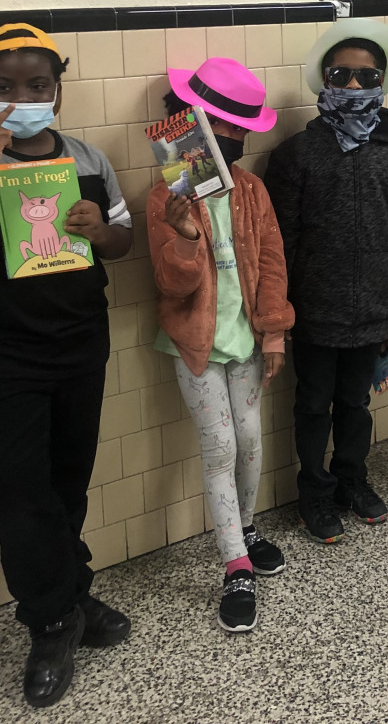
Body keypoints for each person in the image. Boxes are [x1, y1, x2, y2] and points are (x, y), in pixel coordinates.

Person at [0, 24, 133, 708]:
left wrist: (99, 230)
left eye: (38, 85)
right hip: (1, 355)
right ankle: (50, 621)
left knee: (68, 482)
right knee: (20, 495)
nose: (22, 98)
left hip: (80, 344)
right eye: (4, 87)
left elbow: (122, 241)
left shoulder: (88, 160)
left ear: (58, 91)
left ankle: (71, 595)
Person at [146, 58, 293, 633]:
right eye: (225, 126)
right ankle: (235, 565)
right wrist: (185, 237)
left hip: (246, 339)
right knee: (220, 446)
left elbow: (273, 263)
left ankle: (246, 527)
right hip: (196, 345)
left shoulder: (252, 190)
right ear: (191, 123)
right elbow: (172, 286)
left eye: (241, 130)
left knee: (250, 440)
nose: (234, 139)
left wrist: (274, 331)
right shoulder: (166, 196)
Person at [265, 20, 388, 545]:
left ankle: (352, 479)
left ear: (382, 82)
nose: (353, 85)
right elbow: (280, 244)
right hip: (314, 309)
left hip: (373, 305)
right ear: (323, 79)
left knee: (356, 404)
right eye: (341, 75)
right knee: (313, 405)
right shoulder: (294, 155)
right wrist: (283, 309)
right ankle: (314, 489)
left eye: (366, 76)